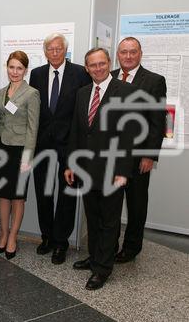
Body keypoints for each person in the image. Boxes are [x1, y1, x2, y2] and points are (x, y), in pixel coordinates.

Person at [65, 48, 135, 290]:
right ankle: (95, 256)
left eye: (102, 63)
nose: (98, 68)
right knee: (92, 217)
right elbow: (77, 130)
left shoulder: (125, 92)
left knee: (109, 220)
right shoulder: (83, 93)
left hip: (112, 170)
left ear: (109, 63)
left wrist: (123, 171)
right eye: (92, 65)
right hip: (85, 169)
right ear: (86, 68)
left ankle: (102, 268)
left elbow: (128, 136)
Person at [29, 33, 91, 264]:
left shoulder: (80, 73)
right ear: (45, 52)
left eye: (58, 49)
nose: (54, 53)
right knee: (43, 191)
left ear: (65, 50)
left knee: (67, 193)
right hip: (42, 143)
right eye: (50, 49)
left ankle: (61, 242)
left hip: (69, 143)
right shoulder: (36, 74)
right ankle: (47, 237)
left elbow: (83, 111)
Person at [112, 37, 167, 263]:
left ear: (140, 53)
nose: (128, 56)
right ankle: (108, 245)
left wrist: (149, 155)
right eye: (123, 52)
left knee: (136, 204)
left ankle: (131, 248)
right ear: (118, 54)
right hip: (110, 155)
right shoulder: (109, 76)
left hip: (137, 156)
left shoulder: (154, 81)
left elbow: (157, 121)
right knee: (110, 205)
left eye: (132, 52)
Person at [0, 50, 40, 260]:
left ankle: (13, 237)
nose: (15, 71)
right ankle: (2, 234)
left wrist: (28, 157)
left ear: (25, 70)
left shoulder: (31, 93)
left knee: (17, 196)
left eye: (19, 68)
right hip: (2, 148)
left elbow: (33, 128)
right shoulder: (2, 91)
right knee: (3, 194)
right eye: (11, 67)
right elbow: (0, 121)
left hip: (20, 149)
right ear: (7, 67)